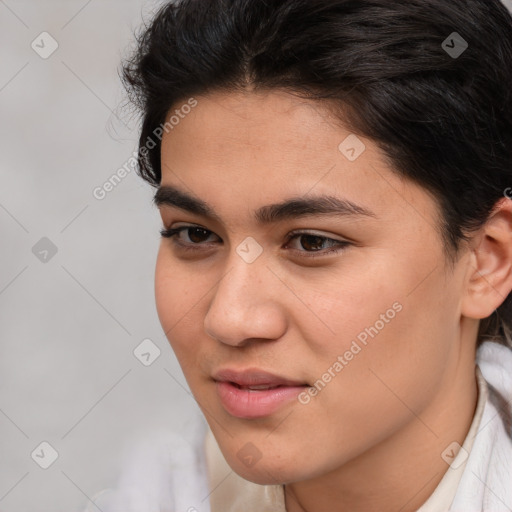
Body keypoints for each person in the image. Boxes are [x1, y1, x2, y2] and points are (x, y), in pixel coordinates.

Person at [85, 0, 512, 510]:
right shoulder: (158, 490)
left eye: (312, 241)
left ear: (488, 260)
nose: (230, 319)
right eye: (196, 235)